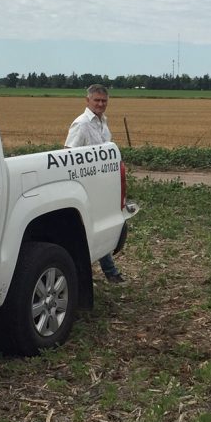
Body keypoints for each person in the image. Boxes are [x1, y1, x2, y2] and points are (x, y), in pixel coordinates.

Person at [64, 83, 124, 284]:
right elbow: (68, 154)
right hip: (85, 186)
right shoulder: (81, 124)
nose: (100, 104)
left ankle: (104, 272)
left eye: (104, 101)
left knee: (101, 226)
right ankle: (107, 273)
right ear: (87, 100)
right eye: (96, 100)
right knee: (91, 229)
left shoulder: (102, 122)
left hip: (101, 185)